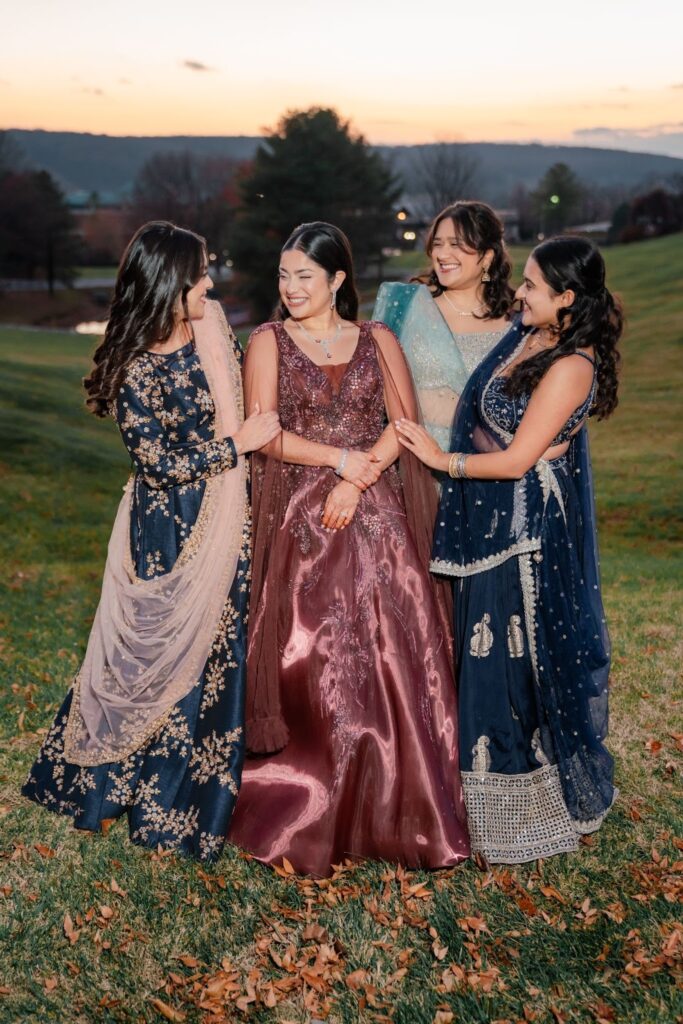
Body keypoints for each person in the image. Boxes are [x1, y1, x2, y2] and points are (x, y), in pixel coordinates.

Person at [22, 221, 280, 861]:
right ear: (169, 283)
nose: (209, 285)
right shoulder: (136, 366)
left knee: (219, 644)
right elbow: (157, 463)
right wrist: (235, 446)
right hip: (170, 526)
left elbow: (247, 393)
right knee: (157, 649)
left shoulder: (212, 330)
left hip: (229, 514)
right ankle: (130, 787)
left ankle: (205, 792)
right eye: (199, 276)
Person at [227, 221, 470, 876]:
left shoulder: (378, 338)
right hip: (302, 509)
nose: (291, 287)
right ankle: (310, 793)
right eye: (283, 275)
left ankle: (402, 801)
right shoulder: (267, 341)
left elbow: (402, 423)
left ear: (336, 279)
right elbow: (264, 435)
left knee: (394, 635)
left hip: (375, 501)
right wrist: (338, 463)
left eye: (304, 275)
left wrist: (358, 479)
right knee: (315, 647)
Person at [395, 236, 621, 863]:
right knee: (479, 655)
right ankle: (471, 803)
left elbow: (519, 458)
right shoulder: (528, 337)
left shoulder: (571, 366)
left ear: (567, 298)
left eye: (532, 286)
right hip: (489, 520)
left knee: (511, 664)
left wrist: (442, 460)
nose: (520, 293)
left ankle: (519, 817)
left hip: (524, 532)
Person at [373, 201, 514, 451]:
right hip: (410, 460)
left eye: (456, 244)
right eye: (438, 244)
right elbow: (372, 387)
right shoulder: (405, 308)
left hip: (484, 464)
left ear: (487, 257)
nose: (442, 254)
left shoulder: (513, 323)